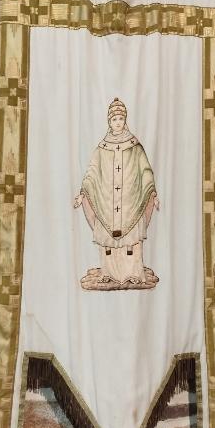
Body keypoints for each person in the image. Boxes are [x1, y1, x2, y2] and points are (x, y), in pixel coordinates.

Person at [74, 98, 160, 288]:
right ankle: (109, 273)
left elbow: (145, 170)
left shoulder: (135, 146)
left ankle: (134, 273)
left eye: (121, 118)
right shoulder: (102, 148)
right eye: (114, 119)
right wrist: (83, 193)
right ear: (109, 122)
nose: (118, 122)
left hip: (131, 200)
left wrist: (152, 192)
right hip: (107, 201)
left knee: (132, 241)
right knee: (108, 243)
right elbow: (92, 172)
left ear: (125, 120)